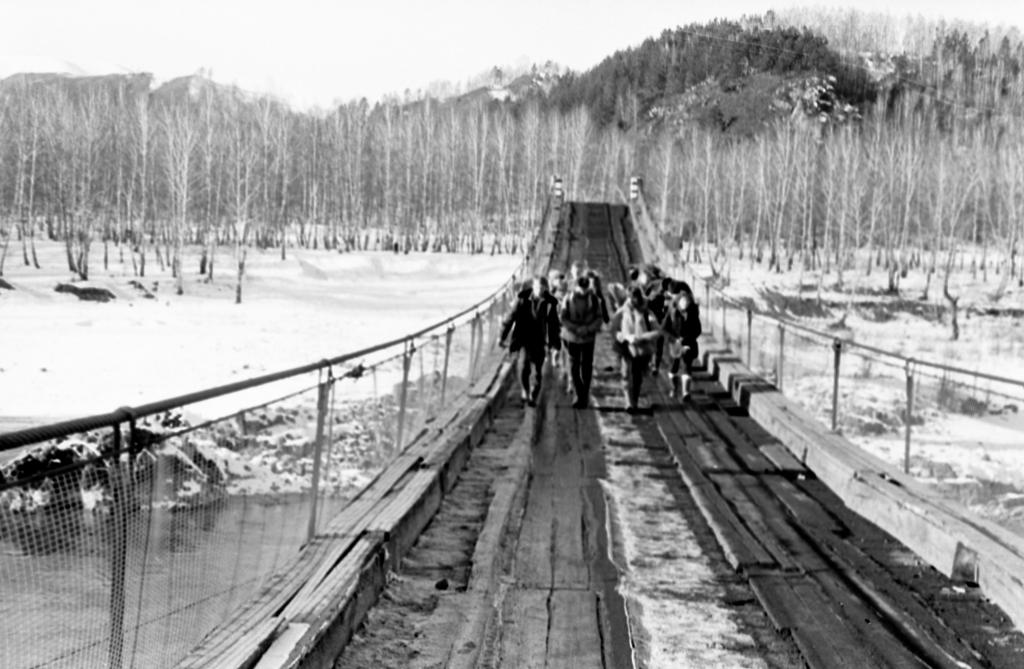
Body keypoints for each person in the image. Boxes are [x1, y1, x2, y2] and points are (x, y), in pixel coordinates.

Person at [500, 276, 561, 406]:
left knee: (537, 371)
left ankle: (533, 395)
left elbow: (554, 326)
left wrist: (555, 344)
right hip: (523, 339)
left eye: (542, 287)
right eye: (537, 286)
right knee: (523, 367)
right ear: (533, 286)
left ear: (546, 288)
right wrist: (502, 336)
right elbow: (511, 318)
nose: (540, 289)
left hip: (539, 341)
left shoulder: (550, 304)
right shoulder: (522, 300)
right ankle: (525, 390)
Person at [611, 287, 660, 413]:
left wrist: (642, 338)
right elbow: (614, 329)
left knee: (637, 377)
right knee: (626, 374)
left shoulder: (647, 313)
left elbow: (657, 330)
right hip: (626, 347)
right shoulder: (622, 312)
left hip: (642, 349)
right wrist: (624, 337)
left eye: (636, 298)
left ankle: (635, 401)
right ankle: (629, 403)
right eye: (632, 298)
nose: (634, 301)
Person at [559, 275, 603, 409]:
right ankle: (579, 394)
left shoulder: (594, 299)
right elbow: (563, 317)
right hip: (572, 337)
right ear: (577, 286)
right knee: (574, 366)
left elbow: (599, 318)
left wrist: (588, 329)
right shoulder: (568, 298)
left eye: (585, 288)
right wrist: (575, 328)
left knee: (587, 366)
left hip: (588, 337)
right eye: (581, 288)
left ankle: (584, 394)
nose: (583, 291)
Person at [660, 280, 702, 400]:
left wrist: (687, 339)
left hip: (688, 343)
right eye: (683, 311)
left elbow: (698, 330)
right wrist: (674, 339)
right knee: (674, 365)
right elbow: (664, 329)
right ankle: (674, 388)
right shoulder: (672, 311)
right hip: (674, 343)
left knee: (687, 365)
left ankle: (685, 393)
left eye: (687, 311)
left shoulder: (693, 312)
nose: (685, 314)